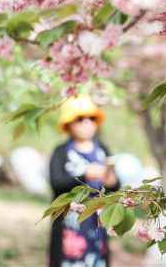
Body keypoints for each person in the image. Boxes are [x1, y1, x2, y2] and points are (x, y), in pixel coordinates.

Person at [49, 95, 120, 267]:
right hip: (70, 225)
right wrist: (84, 175)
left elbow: (115, 186)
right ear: (69, 124)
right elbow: (56, 183)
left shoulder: (102, 149)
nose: (87, 123)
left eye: (92, 118)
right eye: (80, 119)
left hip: (96, 224)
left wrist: (111, 181)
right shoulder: (61, 152)